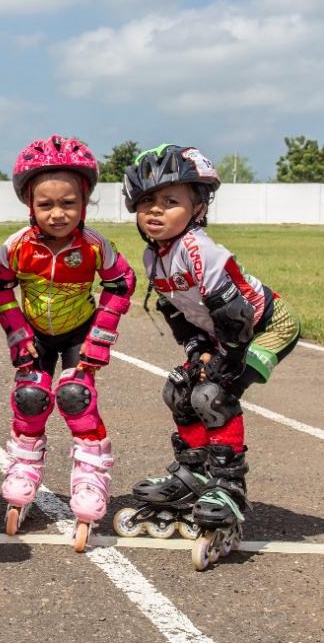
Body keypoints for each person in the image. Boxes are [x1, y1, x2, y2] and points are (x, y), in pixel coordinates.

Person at [114, 144, 301, 571]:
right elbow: (177, 312)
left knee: (214, 394)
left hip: (267, 327)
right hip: (222, 332)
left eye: (170, 201)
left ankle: (228, 486)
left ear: (198, 209)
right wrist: (198, 351)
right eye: (146, 202)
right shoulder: (155, 256)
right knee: (179, 390)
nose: (155, 211)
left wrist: (225, 361)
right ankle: (194, 474)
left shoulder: (202, 252)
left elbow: (235, 315)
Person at [0, 136, 135, 551]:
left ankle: (90, 478)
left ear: (85, 201)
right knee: (30, 397)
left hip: (79, 332)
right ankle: (24, 469)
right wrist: (16, 329)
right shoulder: (17, 246)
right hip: (34, 335)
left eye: (68, 203)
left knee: (74, 397)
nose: (57, 214)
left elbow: (122, 283)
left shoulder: (93, 246)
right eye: (45, 205)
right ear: (29, 203)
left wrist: (99, 338)